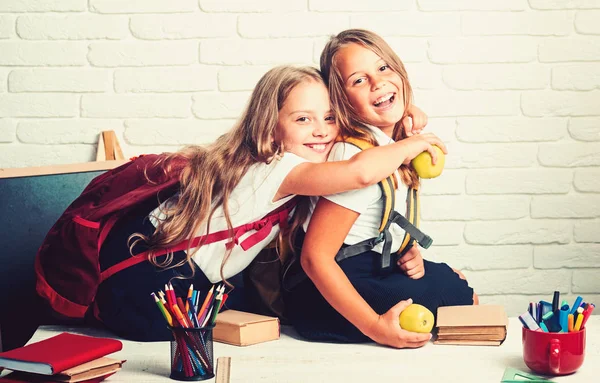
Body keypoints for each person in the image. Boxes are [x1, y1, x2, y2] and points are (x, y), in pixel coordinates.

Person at [0, 65, 436, 350]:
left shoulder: (291, 170)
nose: (322, 131)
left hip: (181, 282)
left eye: (328, 117)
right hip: (149, 285)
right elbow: (359, 173)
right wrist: (412, 141)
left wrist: (401, 112)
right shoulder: (274, 168)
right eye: (302, 119)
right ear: (270, 127)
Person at [285, 30, 478, 349]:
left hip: (373, 265)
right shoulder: (356, 156)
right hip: (323, 289)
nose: (377, 83)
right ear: (341, 99)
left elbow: (371, 224)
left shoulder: (390, 146)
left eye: (384, 68)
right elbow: (316, 257)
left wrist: (404, 247)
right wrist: (376, 328)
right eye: (358, 80)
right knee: (459, 298)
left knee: (453, 281)